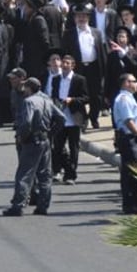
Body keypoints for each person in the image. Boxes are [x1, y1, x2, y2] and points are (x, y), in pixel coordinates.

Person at [3, 78, 58, 216]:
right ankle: (43, 205)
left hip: (32, 141)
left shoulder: (29, 102)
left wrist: (22, 137)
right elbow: (60, 118)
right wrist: (51, 133)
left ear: (29, 88)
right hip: (44, 140)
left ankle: (18, 205)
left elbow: (27, 122)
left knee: (24, 174)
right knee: (45, 174)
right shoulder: (47, 100)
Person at [50, 53, 88, 184]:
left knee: (73, 147)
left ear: (73, 66)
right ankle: (58, 170)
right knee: (58, 147)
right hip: (60, 117)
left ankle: (71, 175)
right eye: (63, 62)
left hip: (74, 118)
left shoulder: (79, 80)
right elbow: (53, 96)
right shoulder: (56, 79)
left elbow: (85, 98)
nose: (65, 65)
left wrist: (72, 100)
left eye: (68, 63)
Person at [113, 74, 137, 214]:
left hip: (128, 137)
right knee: (131, 171)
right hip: (129, 137)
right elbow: (128, 120)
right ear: (126, 83)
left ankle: (133, 202)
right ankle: (132, 203)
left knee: (130, 171)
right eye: (134, 81)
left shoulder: (128, 97)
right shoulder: (124, 99)